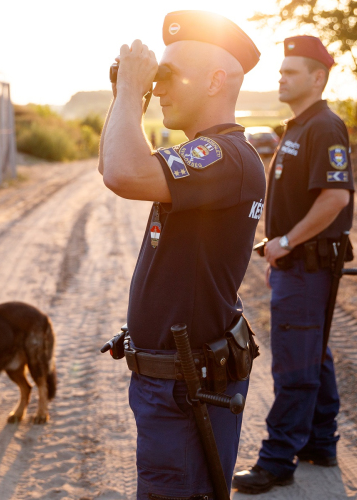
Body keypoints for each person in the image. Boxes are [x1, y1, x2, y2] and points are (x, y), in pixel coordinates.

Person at [98, 11, 266, 499]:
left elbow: (124, 174)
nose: (160, 88)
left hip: (185, 390)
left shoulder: (225, 155)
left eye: (168, 77)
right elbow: (112, 162)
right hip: (170, 386)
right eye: (157, 78)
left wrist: (134, 90)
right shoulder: (207, 155)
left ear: (216, 81)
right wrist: (125, 95)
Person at [232, 36, 355, 494]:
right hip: (296, 264)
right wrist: (280, 251)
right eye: (280, 71)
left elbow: (335, 197)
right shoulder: (299, 126)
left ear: (317, 78)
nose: (280, 78)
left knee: (295, 365)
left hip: (307, 265)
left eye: (290, 72)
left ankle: (277, 460)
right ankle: (320, 443)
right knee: (313, 352)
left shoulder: (323, 127)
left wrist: (285, 242)